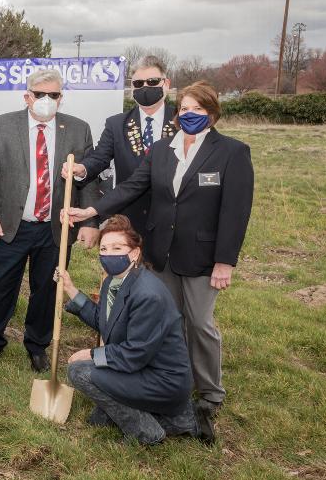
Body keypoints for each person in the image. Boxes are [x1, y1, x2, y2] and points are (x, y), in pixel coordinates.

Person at [67, 81, 254, 419]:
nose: (190, 114)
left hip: (202, 257)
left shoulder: (231, 152)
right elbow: (131, 187)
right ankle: (172, 380)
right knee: (167, 321)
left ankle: (210, 391)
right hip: (162, 252)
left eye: (198, 109)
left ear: (212, 113)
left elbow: (235, 211)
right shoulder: (162, 149)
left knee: (199, 323)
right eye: (185, 108)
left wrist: (225, 261)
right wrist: (92, 212)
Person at [0, 69, 98, 374]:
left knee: (47, 288)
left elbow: (89, 177)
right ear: (27, 96)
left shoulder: (78, 130)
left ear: (60, 98)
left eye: (52, 95)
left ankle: (37, 345)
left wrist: (90, 221)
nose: (45, 100)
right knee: (0, 284)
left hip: (56, 227)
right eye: (39, 94)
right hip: (11, 225)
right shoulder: (3, 125)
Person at [57, 214, 214, 446]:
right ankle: (182, 419)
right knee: (100, 414)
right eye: (104, 249)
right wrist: (71, 289)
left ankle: (147, 432)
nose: (109, 255)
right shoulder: (115, 280)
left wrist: (91, 354)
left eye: (117, 247)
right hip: (143, 369)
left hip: (162, 380)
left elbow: (134, 354)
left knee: (80, 372)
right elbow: (105, 321)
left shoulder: (147, 294)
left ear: (134, 253)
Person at [63, 55, 177, 240]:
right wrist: (82, 168)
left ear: (166, 83)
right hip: (130, 217)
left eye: (153, 81)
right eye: (139, 83)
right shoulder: (117, 124)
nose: (145, 87)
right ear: (132, 87)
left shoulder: (182, 121)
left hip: (172, 217)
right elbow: (100, 157)